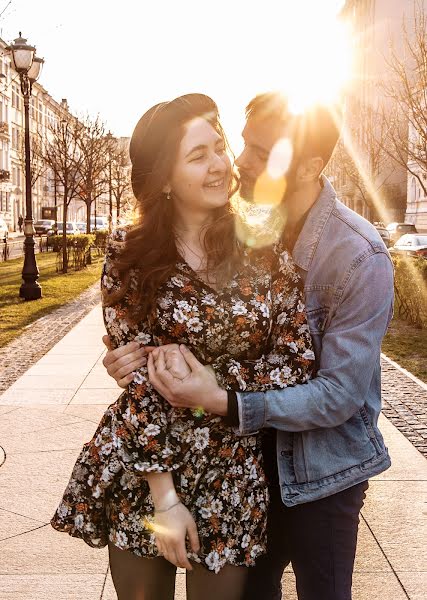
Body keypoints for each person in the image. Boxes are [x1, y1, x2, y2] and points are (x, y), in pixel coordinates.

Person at [103, 92, 394, 600]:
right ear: (164, 179)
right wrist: (138, 365)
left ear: (308, 167)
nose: (231, 162)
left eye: (251, 151)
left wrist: (213, 391)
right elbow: (141, 368)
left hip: (288, 470)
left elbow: (326, 385)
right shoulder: (138, 252)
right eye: (216, 150)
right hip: (176, 465)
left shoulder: (341, 254)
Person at [51, 93, 314, 600]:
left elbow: (296, 360)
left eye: (218, 147)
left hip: (230, 471)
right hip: (147, 468)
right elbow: (139, 382)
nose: (220, 164)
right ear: (164, 180)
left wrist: (213, 386)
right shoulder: (127, 255)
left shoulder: (263, 245)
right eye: (199, 156)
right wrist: (165, 498)